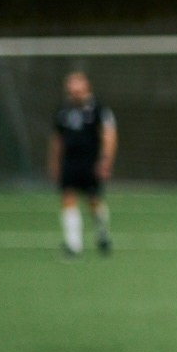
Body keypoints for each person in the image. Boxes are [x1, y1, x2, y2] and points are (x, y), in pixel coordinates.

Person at [51, 71, 115, 258]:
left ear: (86, 86)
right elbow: (57, 139)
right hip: (69, 162)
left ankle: (101, 232)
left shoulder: (99, 109)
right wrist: (54, 161)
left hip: (90, 162)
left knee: (93, 201)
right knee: (67, 197)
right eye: (71, 85)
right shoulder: (63, 110)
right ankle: (73, 244)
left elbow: (108, 135)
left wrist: (105, 161)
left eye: (77, 84)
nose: (74, 90)